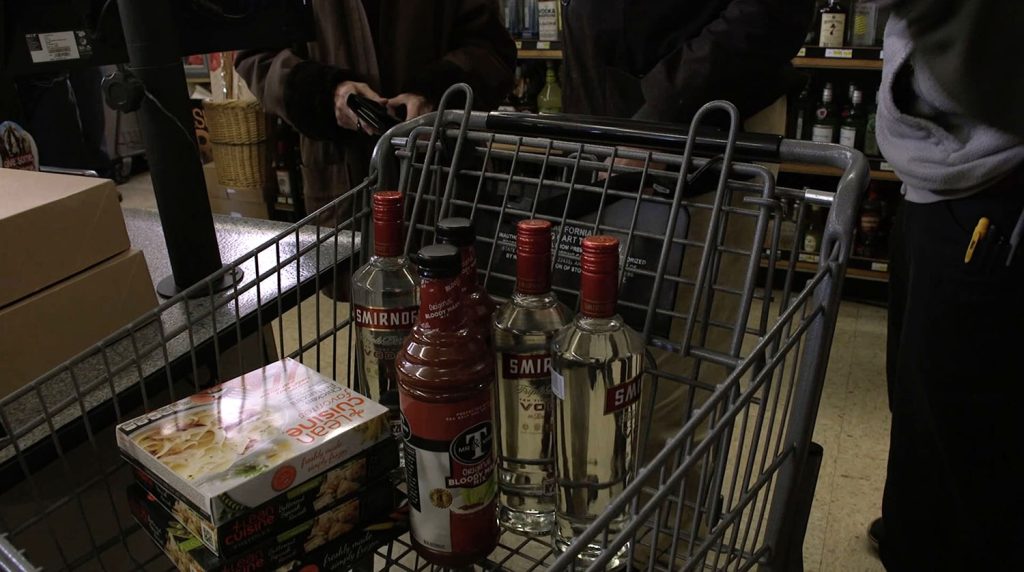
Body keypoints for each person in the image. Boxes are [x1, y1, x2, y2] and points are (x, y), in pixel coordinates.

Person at [559, 0, 812, 567]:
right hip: (608, 136)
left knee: (673, 387)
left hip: (699, 137)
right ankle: (616, 542)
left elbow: (772, 10)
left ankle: (664, 552)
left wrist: (661, 115)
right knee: (604, 372)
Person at [870, 2, 1024, 570]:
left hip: (995, 187)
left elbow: (990, 66)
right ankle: (914, 527)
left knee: (967, 423)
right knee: (917, 396)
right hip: (934, 180)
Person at [236, 0, 515, 218]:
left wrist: (434, 94)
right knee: (357, 285)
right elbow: (257, 56)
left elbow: (493, 50)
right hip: (343, 183)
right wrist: (326, 93)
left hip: (440, 176)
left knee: (447, 285)